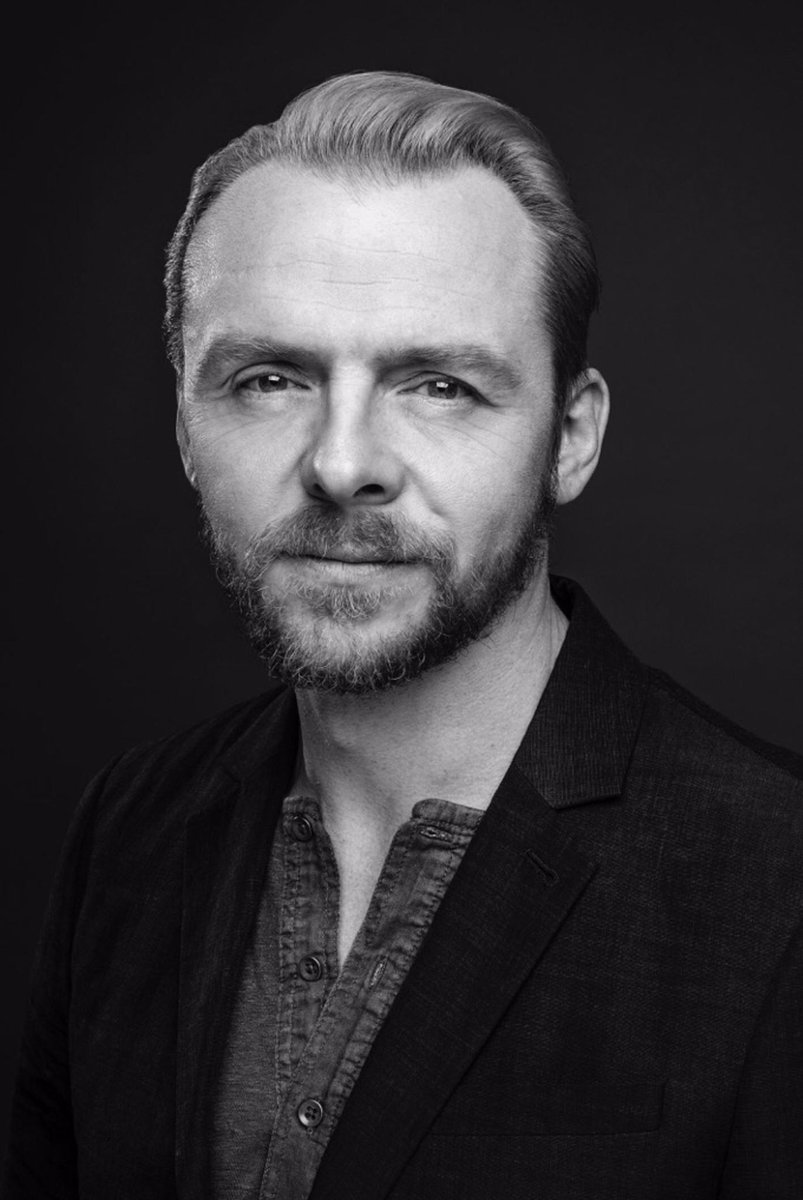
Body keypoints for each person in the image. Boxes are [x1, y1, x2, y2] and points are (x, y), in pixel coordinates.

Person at [4, 71, 801, 1200]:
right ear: (185, 421)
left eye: (437, 386)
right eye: (269, 379)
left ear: (570, 438)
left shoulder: (777, 887)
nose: (341, 464)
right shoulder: (128, 831)